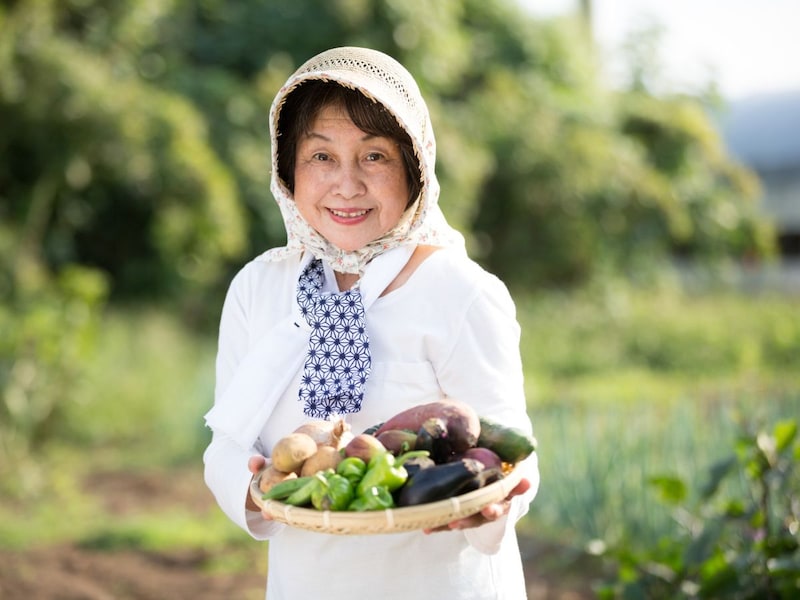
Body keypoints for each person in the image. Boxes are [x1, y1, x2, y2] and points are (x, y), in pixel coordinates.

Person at [203, 46, 540, 599]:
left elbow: (510, 452)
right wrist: (258, 483)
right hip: (305, 584)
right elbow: (224, 443)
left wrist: (496, 502)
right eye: (321, 157)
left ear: (416, 167)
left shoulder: (462, 294)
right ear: (288, 169)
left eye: (375, 156)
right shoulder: (258, 290)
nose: (347, 185)